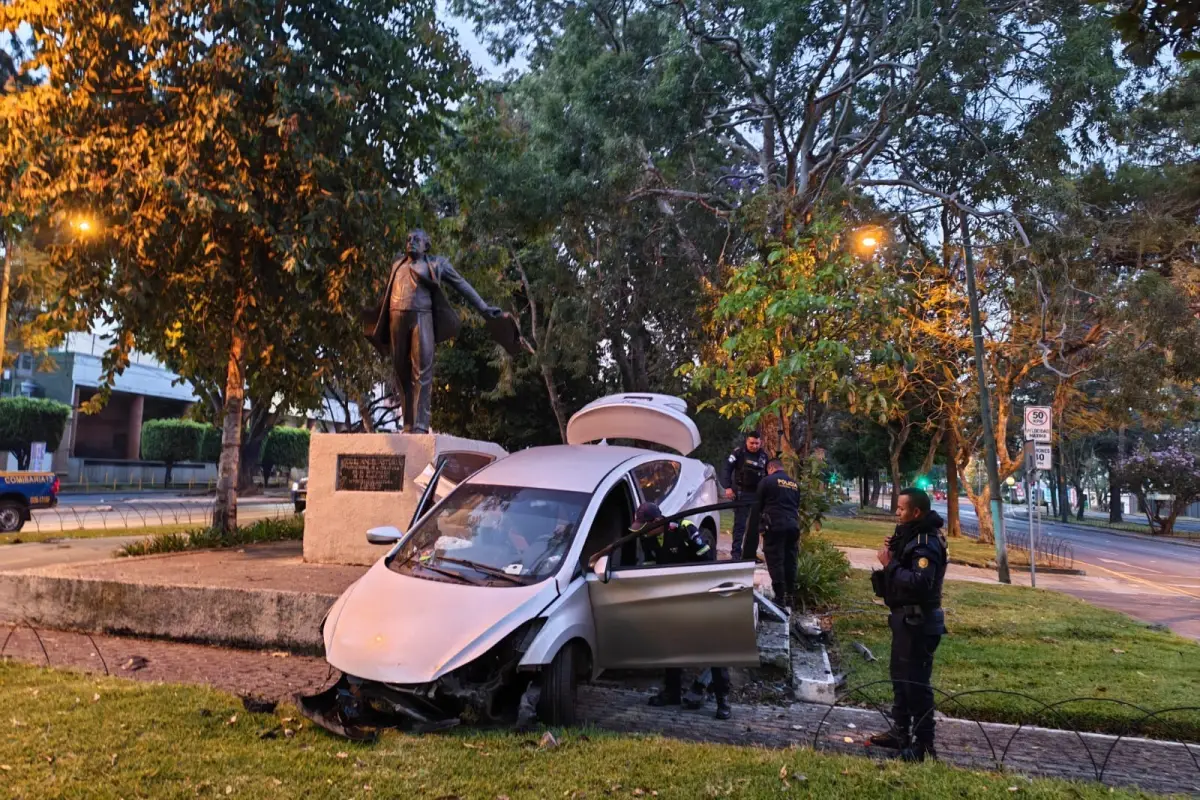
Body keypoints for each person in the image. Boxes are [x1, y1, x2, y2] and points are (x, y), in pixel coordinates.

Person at [367, 229, 506, 433]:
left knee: (422, 370)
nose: (411, 242)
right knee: (400, 369)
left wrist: (484, 308)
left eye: (416, 239)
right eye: (408, 239)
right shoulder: (397, 264)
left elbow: (462, 285)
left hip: (422, 317)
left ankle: (420, 426)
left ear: (426, 245)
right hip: (395, 318)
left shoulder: (437, 264)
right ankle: (407, 423)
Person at [868, 488, 948, 762]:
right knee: (901, 680)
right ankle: (900, 731)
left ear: (916, 512)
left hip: (919, 622)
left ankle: (925, 745)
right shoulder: (911, 535)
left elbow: (920, 582)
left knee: (917, 685)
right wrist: (896, 545)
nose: (897, 513)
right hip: (904, 619)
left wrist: (890, 565)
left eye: (901, 509)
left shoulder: (926, 542)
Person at [632, 502, 732, 721]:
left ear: (657, 521)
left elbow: (707, 559)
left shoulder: (685, 528)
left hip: (698, 594)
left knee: (714, 646)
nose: (642, 530)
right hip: (670, 597)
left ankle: (723, 700)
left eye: (645, 525)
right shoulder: (647, 536)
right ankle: (672, 692)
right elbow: (650, 564)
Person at [755, 459, 801, 610]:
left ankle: (780, 597)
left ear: (770, 468)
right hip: (793, 526)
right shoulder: (794, 484)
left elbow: (758, 505)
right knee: (790, 560)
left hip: (775, 526)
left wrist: (759, 526)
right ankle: (790, 596)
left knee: (776, 560)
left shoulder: (767, 481)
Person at [721, 431, 769, 561]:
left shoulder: (764, 456)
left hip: (757, 495)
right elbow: (727, 469)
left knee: (754, 527)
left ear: (761, 442)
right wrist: (728, 487)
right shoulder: (739, 453)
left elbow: (768, 475)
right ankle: (736, 554)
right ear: (747, 441)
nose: (754, 445)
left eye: (757, 443)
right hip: (741, 493)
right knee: (739, 525)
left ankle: (750, 554)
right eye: (751, 443)